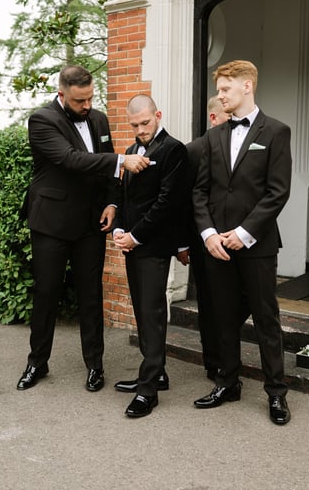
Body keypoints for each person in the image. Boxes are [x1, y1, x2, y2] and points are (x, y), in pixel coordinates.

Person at [17, 65, 150, 392]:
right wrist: (121, 161)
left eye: (90, 97)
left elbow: (104, 170)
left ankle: (95, 365)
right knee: (47, 293)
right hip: (51, 223)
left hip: (92, 222)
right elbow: (70, 159)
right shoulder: (42, 120)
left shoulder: (99, 118)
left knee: (92, 296)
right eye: (79, 100)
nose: (87, 105)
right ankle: (37, 362)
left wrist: (112, 204)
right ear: (62, 94)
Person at [192, 60, 293, 425]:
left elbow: (277, 192)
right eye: (219, 90)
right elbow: (200, 192)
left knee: (266, 318)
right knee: (222, 318)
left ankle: (277, 394)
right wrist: (208, 235)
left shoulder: (277, 132)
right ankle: (227, 382)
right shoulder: (213, 137)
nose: (219, 96)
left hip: (258, 244)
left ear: (247, 86)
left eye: (225, 89)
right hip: (217, 244)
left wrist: (243, 233)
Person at [111, 95, 187, 418]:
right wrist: (118, 228)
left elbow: (167, 203)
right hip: (131, 243)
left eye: (145, 123)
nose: (141, 130)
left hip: (154, 245)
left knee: (153, 312)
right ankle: (156, 372)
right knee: (141, 310)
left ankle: (148, 391)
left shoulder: (174, 150)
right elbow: (124, 198)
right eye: (135, 125)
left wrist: (136, 235)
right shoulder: (129, 153)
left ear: (157, 115)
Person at [181, 96, 230, 381]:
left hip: (235, 239)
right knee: (209, 305)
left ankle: (228, 356)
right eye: (227, 117)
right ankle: (213, 363)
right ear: (213, 118)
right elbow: (185, 202)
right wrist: (185, 244)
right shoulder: (192, 151)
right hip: (201, 241)